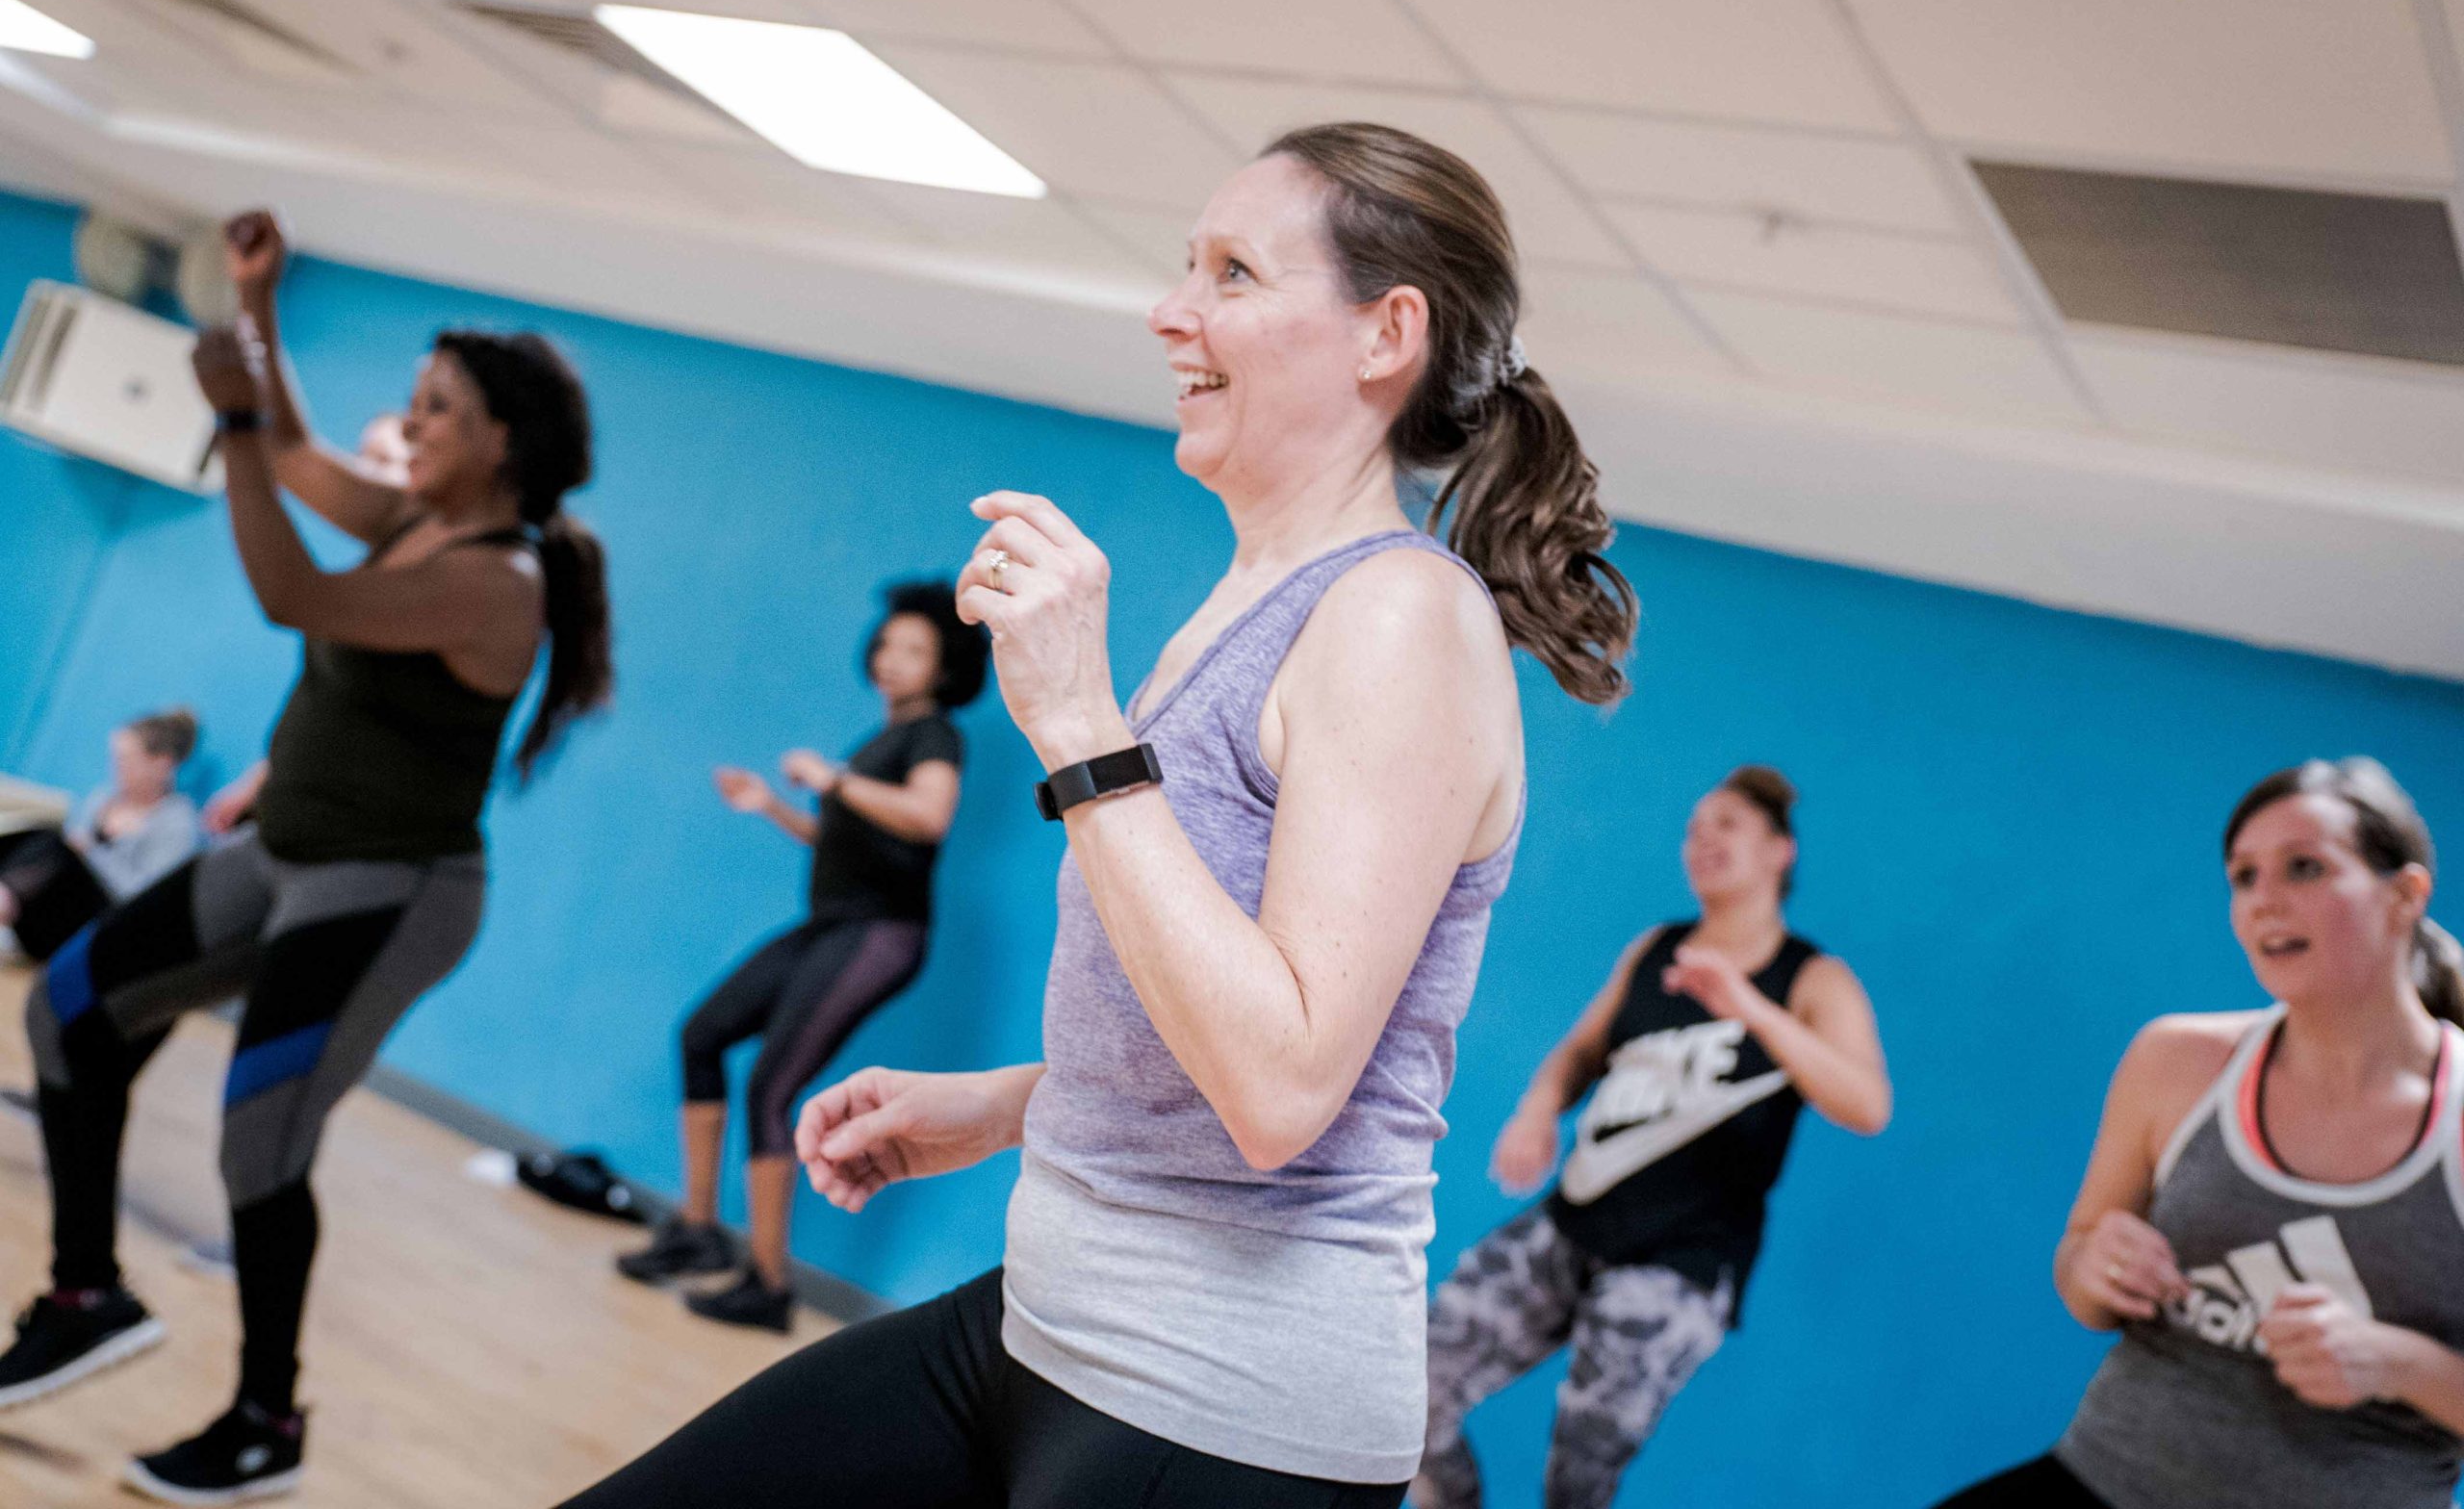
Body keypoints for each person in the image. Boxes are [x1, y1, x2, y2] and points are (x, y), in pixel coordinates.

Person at [553, 121, 1637, 1508]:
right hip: (1043, 1325)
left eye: (1234, 272)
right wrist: (1017, 1102)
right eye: (1184, 266)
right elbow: (1206, 1016)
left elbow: (1284, 1087)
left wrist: (1077, 722)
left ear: (1386, 334)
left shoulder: (1402, 619)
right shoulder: (1242, 608)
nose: (1170, 311)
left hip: (1222, 1411)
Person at [0, 209, 613, 1505]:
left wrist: (226, 419)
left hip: (391, 890)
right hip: (285, 852)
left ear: (506, 441)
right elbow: (287, 444)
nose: (413, 422)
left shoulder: (498, 582)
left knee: (259, 1143)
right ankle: (86, 1288)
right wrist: (256, 304)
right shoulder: (413, 518)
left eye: (438, 408)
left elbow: (293, 589)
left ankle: (267, 1421)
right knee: (66, 1012)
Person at [1933, 757, 2464, 1509]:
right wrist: (2096, 1265)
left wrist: (2393, 1363)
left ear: (2405, 894)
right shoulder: (2174, 1060)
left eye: (2304, 868)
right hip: (2100, 1483)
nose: (2264, 902)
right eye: (2243, 877)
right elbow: (2080, 1265)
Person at [1413, 765, 1891, 1508]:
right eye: (1693, 828)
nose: (1702, 840)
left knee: (1580, 1472)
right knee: (1411, 1392)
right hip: (1571, 1223)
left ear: (1779, 851)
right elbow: (1581, 1051)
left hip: (1681, 1262)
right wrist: (1538, 1107)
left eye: (1726, 824)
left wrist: (1750, 1009)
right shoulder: (1658, 948)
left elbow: (1867, 1105)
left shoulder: (1813, 980)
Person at [615, 580, 987, 1331]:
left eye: (913, 650)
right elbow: (849, 844)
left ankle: (770, 1284)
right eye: (887, 644)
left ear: (945, 667)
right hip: (833, 922)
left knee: (772, 1088)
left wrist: (835, 779)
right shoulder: (875, 742)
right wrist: (774, 807)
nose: (891, 659)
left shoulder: (935, 737)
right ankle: (696, 1230)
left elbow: (928, 818)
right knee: (703, 1036)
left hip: (881, 933)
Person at [198, 413, 413, 839]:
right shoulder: (371, 575)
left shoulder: (419, 591)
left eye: (383, 460)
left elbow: (286, 599)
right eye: (360, 458)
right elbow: (328, 706)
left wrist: (242, 433)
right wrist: (257, 782)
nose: (363, 474)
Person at [0, 709, 203, 960]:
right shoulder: (104, 799)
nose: (116, 768)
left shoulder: (177, 821)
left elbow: (146, 900)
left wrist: (99, 847)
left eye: (126, 760)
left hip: (109, 927)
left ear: (161, 765)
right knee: (35, 839)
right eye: (116, 758)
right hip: (54, 914)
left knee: (54, 846)